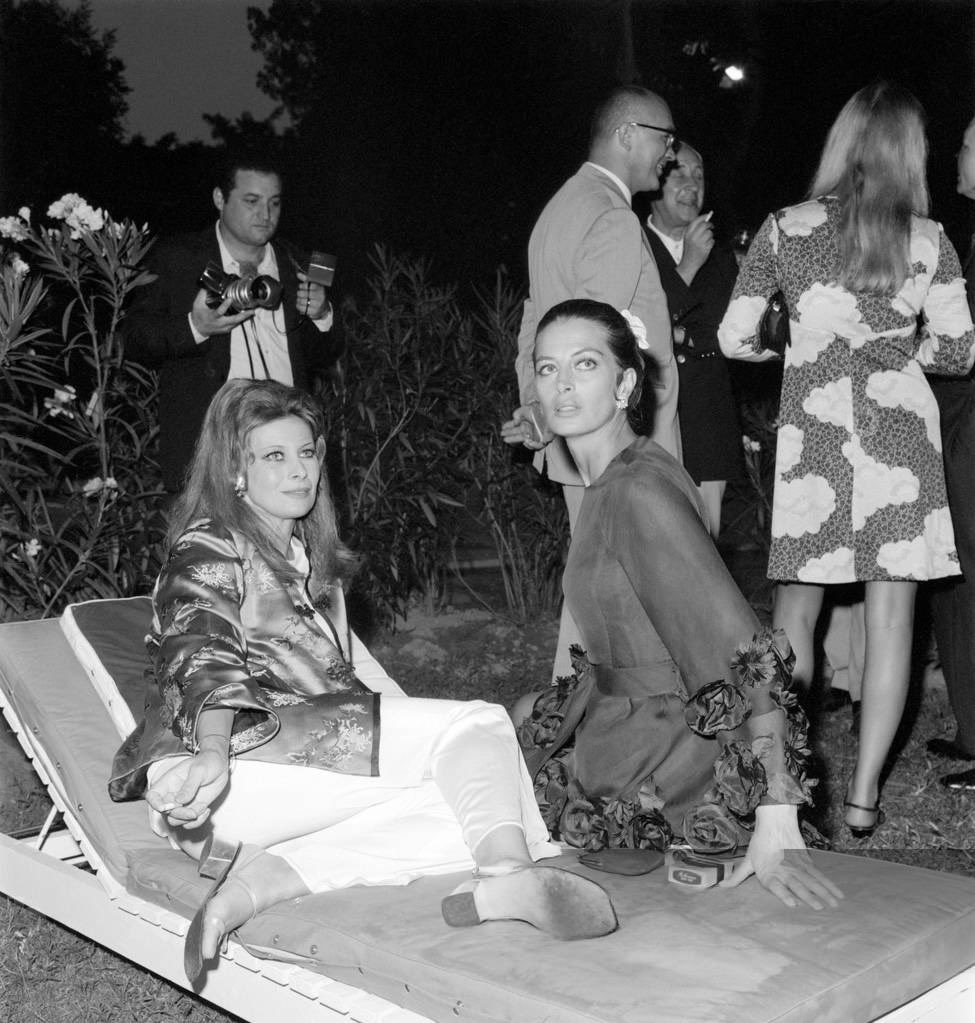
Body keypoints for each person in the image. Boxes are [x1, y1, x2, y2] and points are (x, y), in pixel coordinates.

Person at [108, 379, 617, 984]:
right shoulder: (210, 543)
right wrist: (214, 751)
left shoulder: (299, 556)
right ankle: (508, 877)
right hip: (220, 771)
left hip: (281, 778)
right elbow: (201, 649)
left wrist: (432, 739)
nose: (300, 471)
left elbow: (343, 686)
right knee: (480, 725)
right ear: (234, 471)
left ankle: (257, 884)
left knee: (473, 794)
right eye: (274, 456)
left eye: (307, 453)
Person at [514, 299, 842, 911]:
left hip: (661, 760)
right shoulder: (620, 473)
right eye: (547, 368)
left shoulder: (635, 489)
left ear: (627, 382)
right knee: (508, 724)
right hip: (625, 724)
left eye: (584, 365)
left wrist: (776, 812)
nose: (561, 384)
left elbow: (741, 652)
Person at [717, 82, 975, 838]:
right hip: (899, 434)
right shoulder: (927, 238)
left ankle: (777, 780)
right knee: (892, 619)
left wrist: (800, 348)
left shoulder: (783, 229)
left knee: (796, 611)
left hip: (817, 434)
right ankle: (862, 797)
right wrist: (894, 352)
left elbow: (735, 336)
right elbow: (960, 349)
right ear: (908, 152)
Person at [505, 85, 680, 677]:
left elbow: (536, 321)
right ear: (628, 133)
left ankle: (569, 720)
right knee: (630, 592)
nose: (671, 155)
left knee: (594, 583)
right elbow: (593, 347)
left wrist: (538, 404)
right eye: (666, 139)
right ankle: (598, 724)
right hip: (618, 443)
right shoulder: (611, 217)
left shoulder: (558, 209)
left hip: (576, 435)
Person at [125, 152, 344, 493]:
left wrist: (322, 314)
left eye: (274, 202)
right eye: (252, 201)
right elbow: (136, 339)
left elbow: (324, 355)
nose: (265, 214)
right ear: (219, 199)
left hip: (290, 449)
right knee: (218, 548)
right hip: (213, 453)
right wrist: (195, 327)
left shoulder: (301, 262)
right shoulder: (177, 259)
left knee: (293, 548)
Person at [645, 144, 743, 536]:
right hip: (649, 428)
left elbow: (727, 334)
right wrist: (686, 267)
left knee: (704, 558)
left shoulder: (721, 256)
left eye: (699, 175)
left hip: (707, 427)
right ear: (655, 183)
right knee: (652, 556)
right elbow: (631, 329)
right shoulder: (630, 247)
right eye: (679, 173)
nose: (692, 185)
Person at [928, 111, 975, 791]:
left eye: (965, 146)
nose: (957, 157)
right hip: (957, 422)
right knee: (957, 578)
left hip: (970, 423)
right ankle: (971, 727)